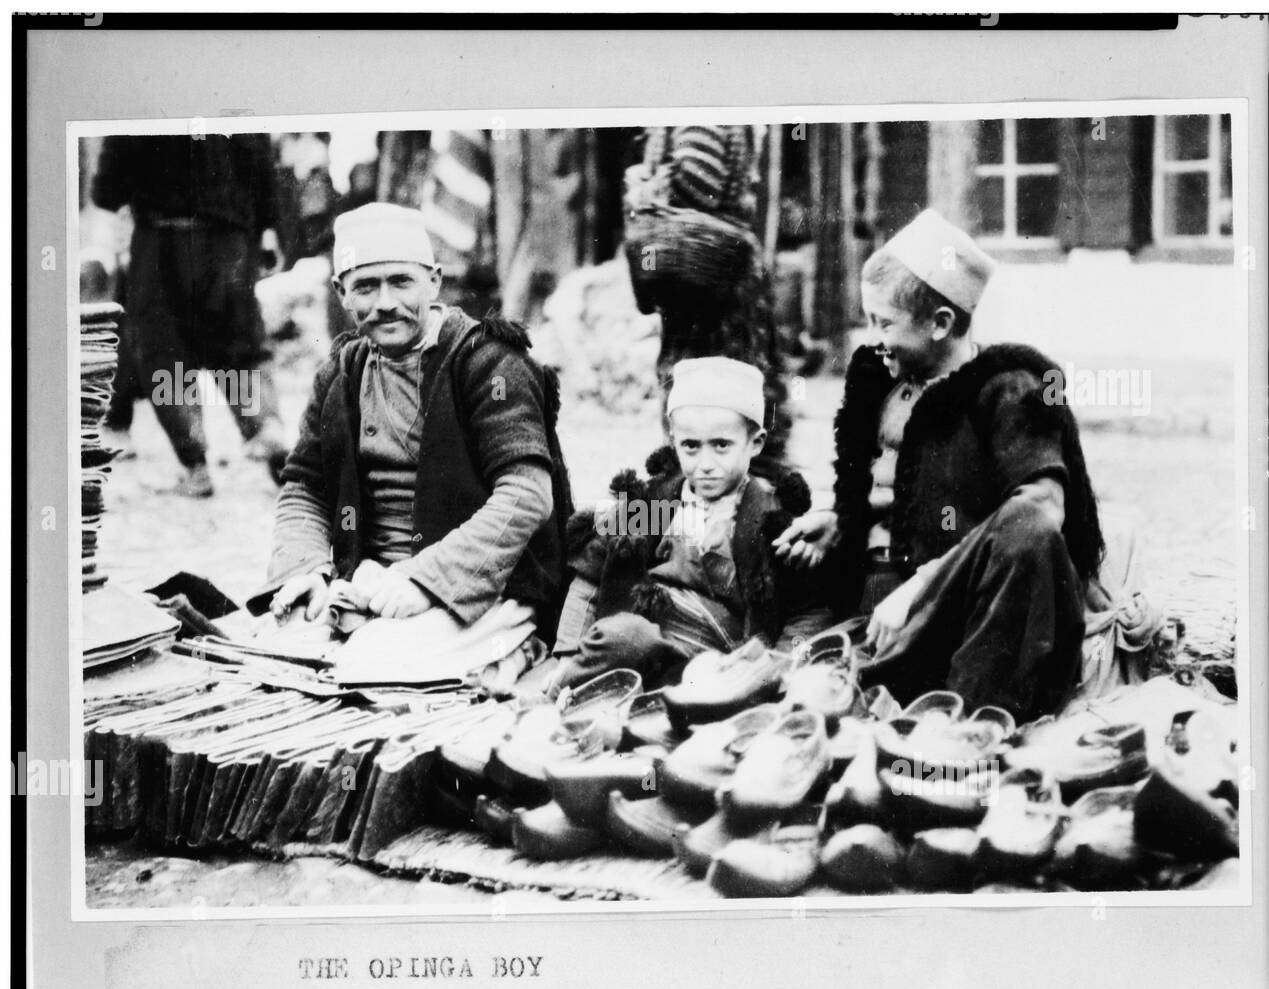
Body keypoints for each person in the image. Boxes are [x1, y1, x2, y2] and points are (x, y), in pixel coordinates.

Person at [773, 209, 1107, 721]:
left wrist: (922, 586)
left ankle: (970, 723)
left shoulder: (1009, 390)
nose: (872, 334)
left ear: (940, 323)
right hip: (876, 611)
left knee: (1030, 526)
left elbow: (1041, 513)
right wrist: (843, 518)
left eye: (884, 322)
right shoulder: (885, 384)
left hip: (972, 620)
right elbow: (898, 493)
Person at [250, 202, 572, 643]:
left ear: (435, 281)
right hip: (372, 583)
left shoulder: (490, 364)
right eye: (365, 286)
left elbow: (527, 495)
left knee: (377, 661)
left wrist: (425, 580)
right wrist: (306, 569)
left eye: (401, 282)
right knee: (279, 640)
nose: (385, 304)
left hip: (485, 586)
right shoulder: (341, 374)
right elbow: (306, 486)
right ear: (340, 293)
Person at [549, 356, 830, 690]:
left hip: (725, 661)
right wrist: (569, 656)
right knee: (626, 636)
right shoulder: (654, 504)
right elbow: (589, 579)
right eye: (691, 447)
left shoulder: (769, 519)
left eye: (722, 446)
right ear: (673, 441)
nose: (706, 464)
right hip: (643, 644)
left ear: (755, 443)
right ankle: (577, 688)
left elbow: (808, 611)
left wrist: (780, 666)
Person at [90, 133, 289, 495]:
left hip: (162, 240)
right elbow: (259, 158)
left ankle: (195, 463)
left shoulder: (140, 93)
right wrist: (266, 227)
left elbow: (109, 186)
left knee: (165, 356)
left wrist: (112, 196)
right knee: (239, 347)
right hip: (230, 240)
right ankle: (264, 425)